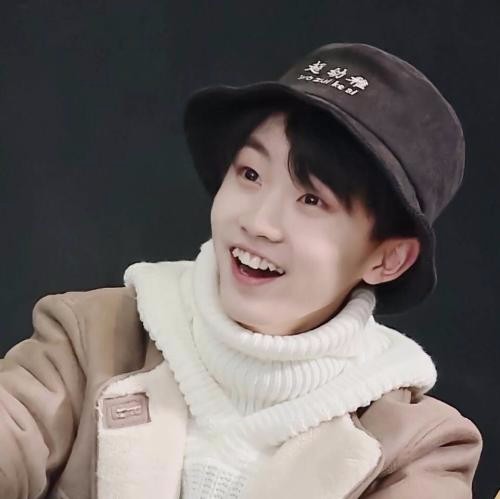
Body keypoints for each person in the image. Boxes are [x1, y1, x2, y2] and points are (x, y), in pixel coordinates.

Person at [0, 42, 482, 499]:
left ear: (387, 258)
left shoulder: (418, 447)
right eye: (250, 174)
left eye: (312, 199)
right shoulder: (90, 337)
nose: (258, 223)